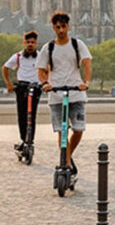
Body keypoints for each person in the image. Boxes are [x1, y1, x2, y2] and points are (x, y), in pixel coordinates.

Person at [36, 11, 92, 176]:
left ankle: (67, 156)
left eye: (63, 26)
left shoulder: (77, 44)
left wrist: (85, 83)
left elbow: (87, 65)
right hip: (56, 94)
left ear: (68, 26)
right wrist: (45, 83)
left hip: (76, 92)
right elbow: (40, 70)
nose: (61, 30)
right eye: (57, 27)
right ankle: (66, 163)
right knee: (62, 131)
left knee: (78, 129)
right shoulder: (48, 48)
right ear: (53, 27)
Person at [3, 30, 42, 151]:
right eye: (28, 42)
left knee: (32, 114)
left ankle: (30, 140)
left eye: (33, 42)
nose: (30, 44)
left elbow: (48, 69)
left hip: (36, 86)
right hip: (22, 86)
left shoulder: (41, 56)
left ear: (36, 43)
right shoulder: (18, 56)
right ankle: (23, 139)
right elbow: (5, 68)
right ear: (24, 43)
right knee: (22, 114)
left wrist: (46, 82)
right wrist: (9, 84)